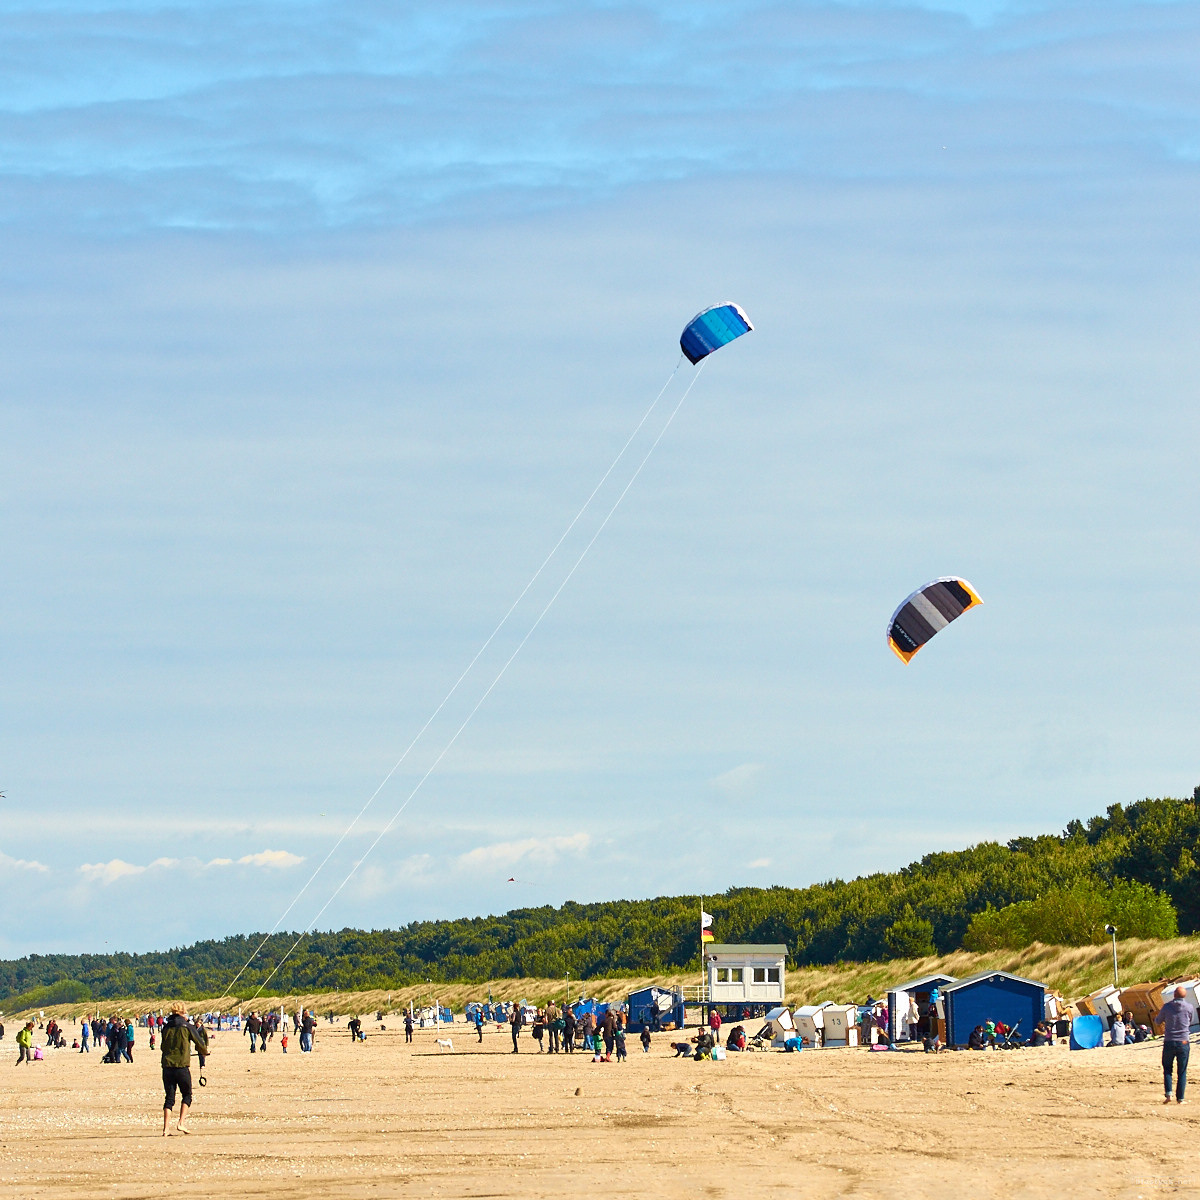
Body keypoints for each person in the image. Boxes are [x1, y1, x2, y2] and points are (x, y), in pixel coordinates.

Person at [160, 1002, 206, 1136]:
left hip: (167, 1066)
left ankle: (166, 1129)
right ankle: (181, 1123)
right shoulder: (186, 1026)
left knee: (169, 1097)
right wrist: (204, 1051)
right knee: (187, 1095)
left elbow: (163, 1046)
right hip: (181, 1066)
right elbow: (199, 1042)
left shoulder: (166, 1027)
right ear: (183, 1011)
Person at [1154, 985, 1197, 1105]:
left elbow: (1157, 1021)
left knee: (1167, 1069)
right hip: (1183, 1041)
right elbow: (1190, 1020)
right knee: (1182, 1071)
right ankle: (1180, 1098)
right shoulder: (1189, 1007)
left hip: (1169, 1040)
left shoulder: (1167, 1007)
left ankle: (1169, 1093)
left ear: (1174, 995)